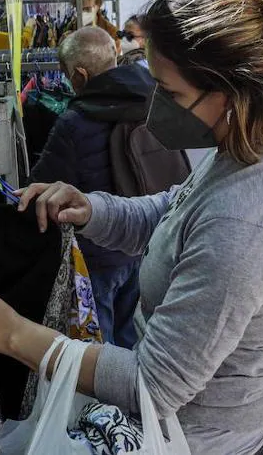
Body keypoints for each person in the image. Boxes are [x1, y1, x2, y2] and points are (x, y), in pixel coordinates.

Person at [0, 0, 263, 455]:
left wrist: (13, 335)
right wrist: (92, 209)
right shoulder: (254, 147)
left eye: (173, 93)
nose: (156, 104)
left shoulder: (245, 220)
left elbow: (153, 384)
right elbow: (176, 209)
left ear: (230, 91)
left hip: (207, 442)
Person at [29, 26, 183, 349]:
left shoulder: (73, 122)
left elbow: (42, 185)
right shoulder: (153, 97)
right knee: (135, 341)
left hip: (97, 256)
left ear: (81, 75)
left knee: (99, 349)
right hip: (147, 245)